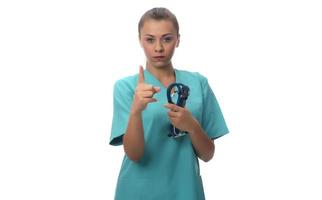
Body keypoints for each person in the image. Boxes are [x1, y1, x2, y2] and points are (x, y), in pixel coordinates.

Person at [109, 7, 229, 200]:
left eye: (166, 38)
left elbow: (208, 155)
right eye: (150, 39)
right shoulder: (126, 88)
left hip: (185, 191)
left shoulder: (198, 83)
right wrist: (136, 111)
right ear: (140, 40)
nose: (158, 48)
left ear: (178, 40)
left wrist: (192, 126)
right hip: (137, 191)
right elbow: (134, 154)